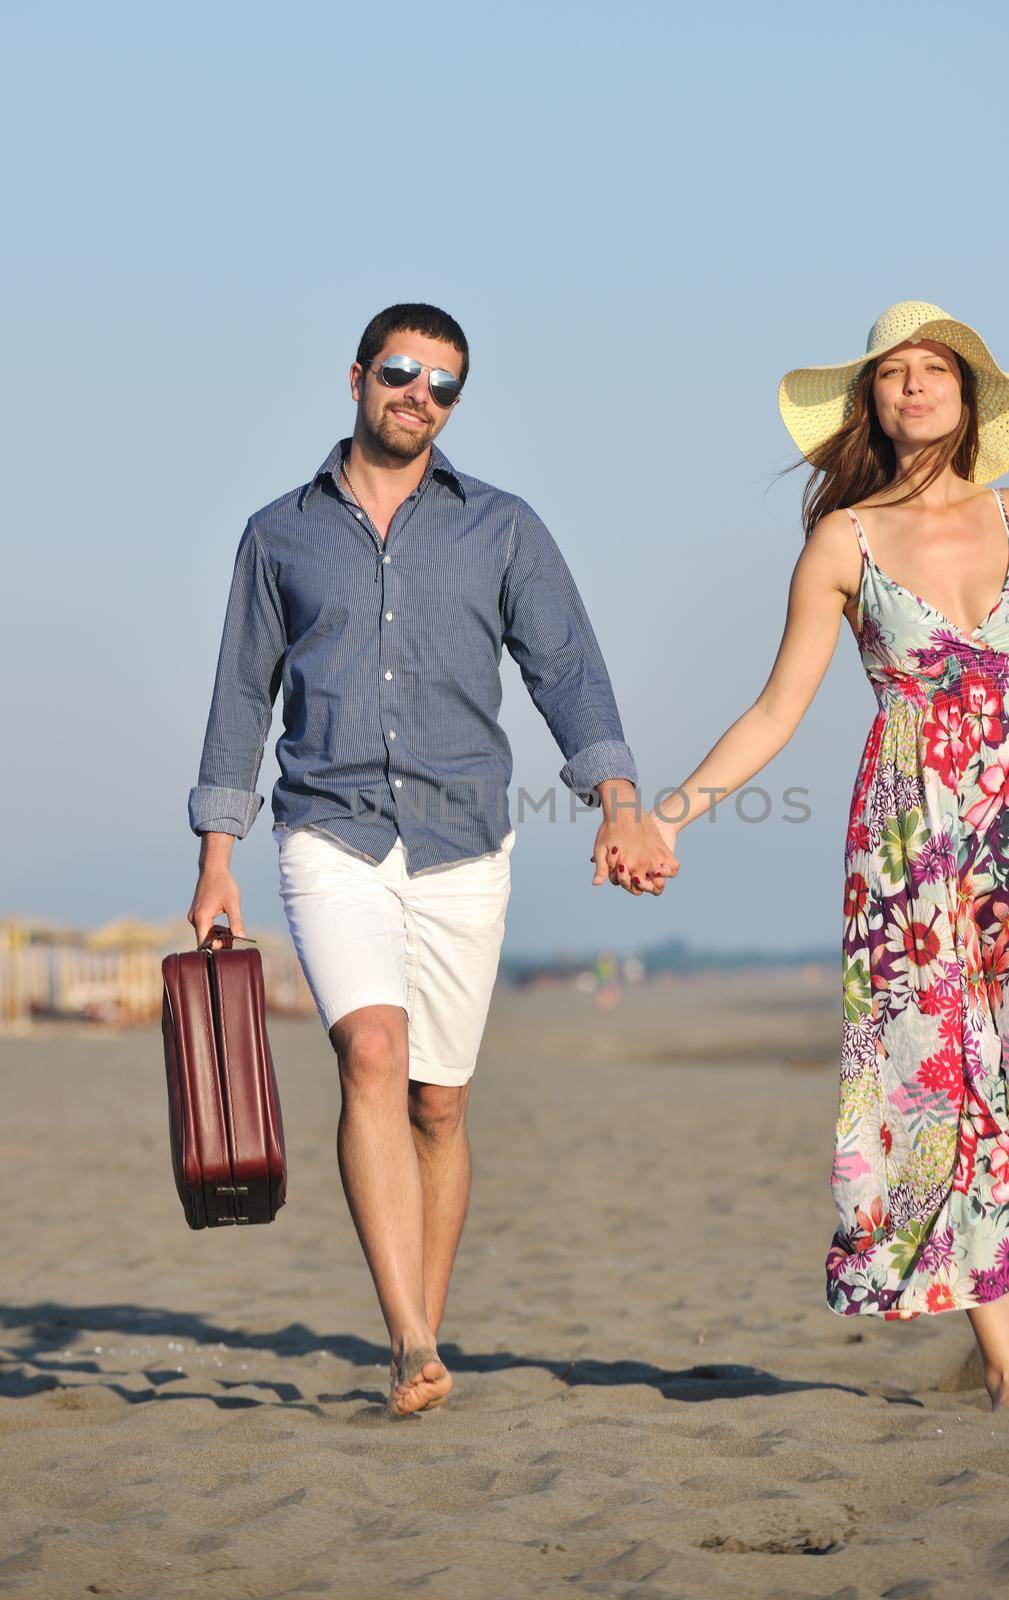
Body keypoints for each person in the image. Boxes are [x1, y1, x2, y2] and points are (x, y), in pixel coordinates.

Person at [644, 301, 1009, 1408]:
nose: (915, 386)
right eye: (894, 374)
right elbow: (777, 709)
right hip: (906, 840)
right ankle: (1005, 1360)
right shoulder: (844, 538)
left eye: (936, 371)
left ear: (969, 397)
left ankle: (991, 1256)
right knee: (942, 1080)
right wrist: (670, 812)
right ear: (870, 403)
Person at [187, 302, 676, 1417]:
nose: (420, 394)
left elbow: (569, 670)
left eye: (443, 383)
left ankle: (423, 1330)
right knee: (371, 1054)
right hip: (329, 826)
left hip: (466, 840)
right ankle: (407, 1339)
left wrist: (616, 802)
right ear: (358, 375)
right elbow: (238, 701)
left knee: (438, 1104)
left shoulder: (502, 527)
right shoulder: (279, 534)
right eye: (402, 371)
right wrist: (217, 856)